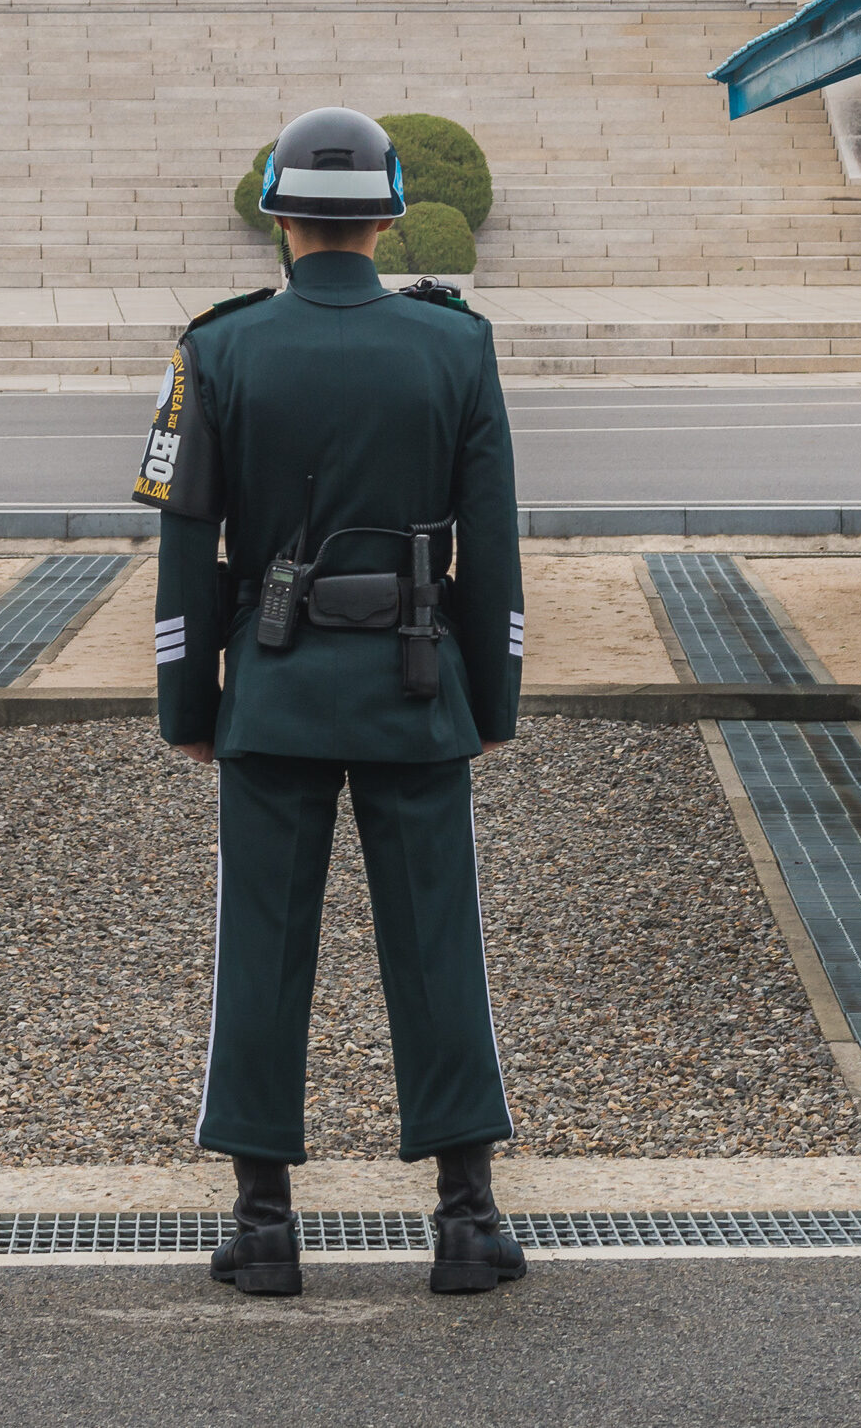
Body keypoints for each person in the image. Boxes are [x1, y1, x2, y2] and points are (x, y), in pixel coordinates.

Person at [137, 107, 528, 1299]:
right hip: (417, 685)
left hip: (273, 682)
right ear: (393, 213)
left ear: (279, 218)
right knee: (437, 943)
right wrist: (490, 694)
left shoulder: (216, 350)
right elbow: (496, 548)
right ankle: (465, 1217)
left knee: (261, 948)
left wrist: (186, 700)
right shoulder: (457, 347)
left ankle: (263, 1224)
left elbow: (188, 546)